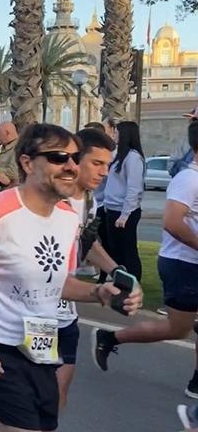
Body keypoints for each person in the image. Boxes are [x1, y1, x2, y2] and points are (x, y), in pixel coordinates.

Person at [0, 123, 143, 432]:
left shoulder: (68, 218)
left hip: (41, 348)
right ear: (27, 163)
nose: (70, 166)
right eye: (57, 157)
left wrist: (100, 293)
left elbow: (55, 281)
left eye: (74, 157)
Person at [93, 120, 198, 397]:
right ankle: (110, 336)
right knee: (177, 329)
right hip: (184, 265)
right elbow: (173, 222)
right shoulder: (189, 179)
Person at [55, 128, 122, 412]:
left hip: (66, 309)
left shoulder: (90, 201)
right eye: (97, 163)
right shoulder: (51, 200)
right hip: (31, 311)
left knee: (59, 389)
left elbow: (87, 240)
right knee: (26, 394)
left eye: (108, 165)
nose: (104, 172)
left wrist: (118, 271)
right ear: (74, 160)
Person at [100, 120, 145, 281]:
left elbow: (134, 188)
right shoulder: (118, 156)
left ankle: (134, 281)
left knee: (128, 250)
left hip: (124, 213)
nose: (114, 135)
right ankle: (119, 281)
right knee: (114, 249)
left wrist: (125, 215)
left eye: (117, 132)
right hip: (111, 209)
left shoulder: (133, 158)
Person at [0, 121, 20, 189]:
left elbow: (14, 172)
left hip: (13, 190)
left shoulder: (19, 148)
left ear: (7, 133)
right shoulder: (4, 147)